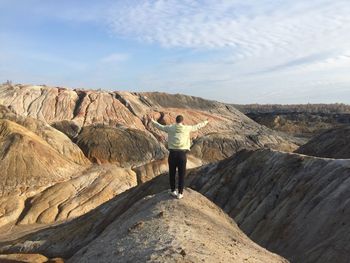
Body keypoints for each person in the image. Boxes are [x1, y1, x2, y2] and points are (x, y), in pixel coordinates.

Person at [150, 115, 208, 199]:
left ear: (176, 120)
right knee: (181, 174)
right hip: (182, 155)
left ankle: (173, 191)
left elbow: (160, 126)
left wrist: (152, 121)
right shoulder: (186, 128)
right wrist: (206, 121)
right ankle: (180, 193)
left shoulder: (170, 128)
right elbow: (197, 126)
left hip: (172, 154)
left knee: (172, 173)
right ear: (182, 121)